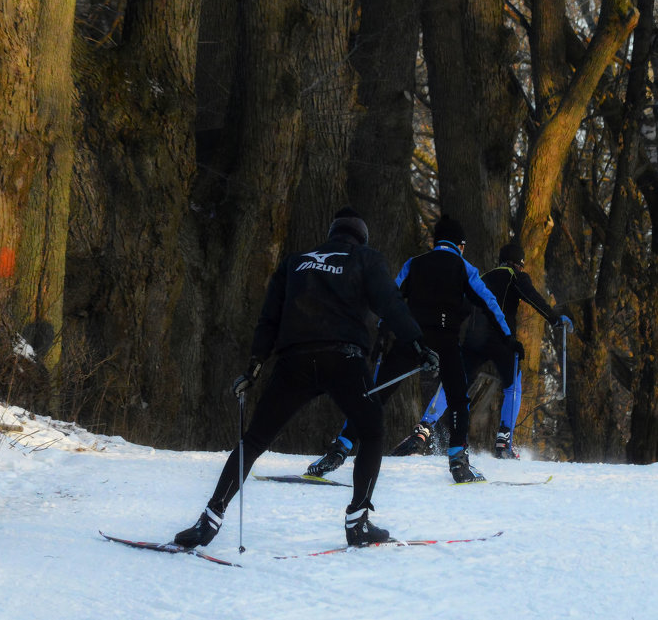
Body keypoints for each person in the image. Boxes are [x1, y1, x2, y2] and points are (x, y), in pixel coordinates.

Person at [172, 207, 438, 549]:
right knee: (371, 431)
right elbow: (390, 304)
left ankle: (208, 521)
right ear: (361, 237)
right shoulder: (365, 258)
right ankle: (358, 522)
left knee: (253, 441)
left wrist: (254, 365)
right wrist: (418, 344)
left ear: (332, 233)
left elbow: (269, 316)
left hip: (293, 361)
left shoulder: (296, 261)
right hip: (343, 359)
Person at [307, 215, 513, 483]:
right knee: (457, 398)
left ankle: (339, 450)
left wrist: (383, 331)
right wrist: (508, 337)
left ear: (437, 241)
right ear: (459, 245)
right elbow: (489, 302)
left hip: (410, 339)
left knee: (375, 394)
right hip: (446, 341)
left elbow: (390, 298)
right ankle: (458, 463)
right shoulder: (465, 268)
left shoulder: (414, 264)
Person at [392, 241, 573, 459]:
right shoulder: (515, 276)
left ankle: (422, 431)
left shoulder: (482, 278)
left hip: (474, 341)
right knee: (512, 386)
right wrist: (554, 319)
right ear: (518, 264)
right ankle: (504, 441)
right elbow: (532, 297)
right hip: (501, 339)